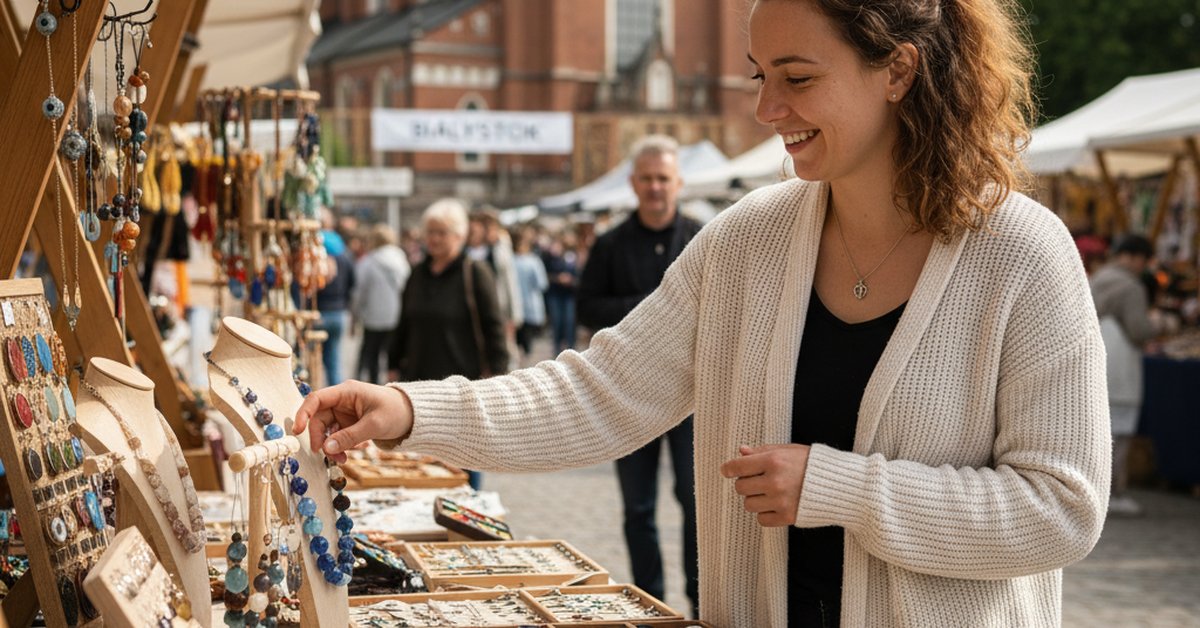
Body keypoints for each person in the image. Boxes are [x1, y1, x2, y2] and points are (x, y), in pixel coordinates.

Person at [294, 1, 1111, 625]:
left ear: (896, 71)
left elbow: (1062, 511)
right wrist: (410, 409)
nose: (767, 109)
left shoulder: (1022, 255)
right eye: (759, 76)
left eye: (798, 78)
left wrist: (842, 489)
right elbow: (599, 392)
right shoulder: (747, 241)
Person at [576, 134, 702, 613]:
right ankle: (652, 603)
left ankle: (698, 600)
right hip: (628, 394)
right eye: (647, 179)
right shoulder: (610, 245)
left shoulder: (700, 237)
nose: (655, 188)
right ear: (632, 183)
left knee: (696, 503)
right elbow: (588, 306)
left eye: (663, 179)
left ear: (678, 183)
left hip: (692, 396)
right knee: (638, 507)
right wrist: (653, 309)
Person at [388, 199, 508, 490]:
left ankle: (466, 518)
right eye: (430, 232)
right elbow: (403, 321)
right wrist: (392, 364)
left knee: (463, 462)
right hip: (418, 379)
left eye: (442, 232)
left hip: (461, 383)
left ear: (459, 236)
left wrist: (498, 376)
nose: (434, 239)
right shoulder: (417, 273)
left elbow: (494, 327)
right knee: (421, 461)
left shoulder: (474, 273)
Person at [1091, 234, 1159, 516]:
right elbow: (1139, 330)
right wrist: (1161, 323)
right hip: (1120, 367)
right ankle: (1113, 493)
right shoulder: (1131, 287)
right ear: (1134, 257)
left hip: (1096, 362)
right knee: (1119, 432)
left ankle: (1094, 493)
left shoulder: (1098, 278)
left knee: (1098, 431)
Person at [351, 224, 411, 384]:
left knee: (371, 355)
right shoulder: (401, 260)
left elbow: (359, 293)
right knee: (392, 354)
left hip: (373, 316)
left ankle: (373, 386)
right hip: (396, 316)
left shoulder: (368, 262)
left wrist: (354, 316)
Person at [314, 210, 355, 386]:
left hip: (318, 311)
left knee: (312, 360)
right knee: (334, 362)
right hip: (338, 312)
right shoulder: (343, 252)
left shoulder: (313, 249)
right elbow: (352, 282)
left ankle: (310, 398)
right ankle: (335, 401)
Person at [511, 226, 549, 366]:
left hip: (515, 308)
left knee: (517, 341)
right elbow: (542, 284)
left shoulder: (509, 260)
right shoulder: (533, 261)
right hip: (529, 308)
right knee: (527, 343)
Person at [542, 232, 580, 353]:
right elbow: (545, 275)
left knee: (569, 322)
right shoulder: (551, 256)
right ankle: (557, 348)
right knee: (557, 322)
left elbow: (578, 274)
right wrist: (557, 278)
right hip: (555, 294)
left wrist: (571, 280)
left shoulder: (573, 255)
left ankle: (570, 348)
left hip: (569, 294)